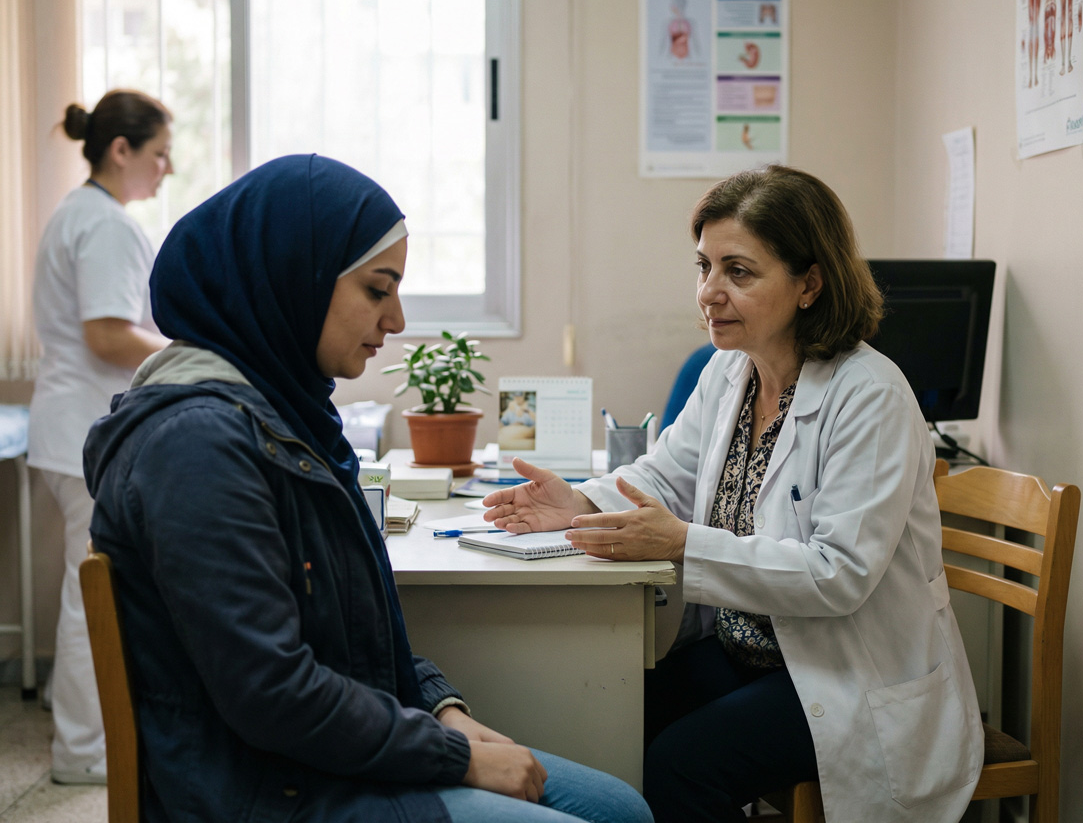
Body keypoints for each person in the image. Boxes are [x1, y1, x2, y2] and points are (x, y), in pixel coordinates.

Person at [82, 154, 653, 823]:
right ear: (294, 278)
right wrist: (453, 756)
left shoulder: (289, 418)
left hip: (325, 761)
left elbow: (353, 627)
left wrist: (440, 708)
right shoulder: (195, 447)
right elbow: (272, 693)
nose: (397, 319)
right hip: (269, 791)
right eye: (378, 290)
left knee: (620, 808)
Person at [483, 166, 984, 823]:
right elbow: (664, 475)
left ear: (809, 284)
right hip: (753, 650)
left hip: (847, 673)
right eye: (704, 267)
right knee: (609, 710)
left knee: (680, 765)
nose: (709, 293)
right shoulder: (730, 372)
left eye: (738, 272)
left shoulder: (871, 396)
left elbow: (838, 575)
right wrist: (579, 504)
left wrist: (683, 543)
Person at [27, 89, 173, 784]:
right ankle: (84, 752)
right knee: (95, 592)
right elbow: (109, 334)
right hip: (84, 430)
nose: (167, 168)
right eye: (160, 153)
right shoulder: (105, 224)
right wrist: (186, 355)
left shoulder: (79, 212)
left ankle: (83, 731)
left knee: (87, 586)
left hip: (71, 426)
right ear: (121, 150)